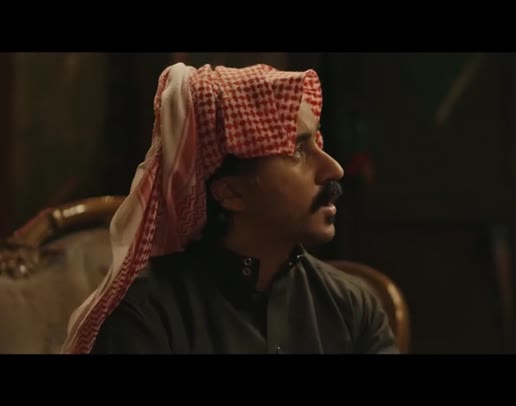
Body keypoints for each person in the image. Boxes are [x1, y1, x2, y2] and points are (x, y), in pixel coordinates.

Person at [60, 62, 398, 354]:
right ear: (231, 192)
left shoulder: (353, 308)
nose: (333, 170)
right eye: (297, 150)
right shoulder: (147, 317)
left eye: (317, 142)